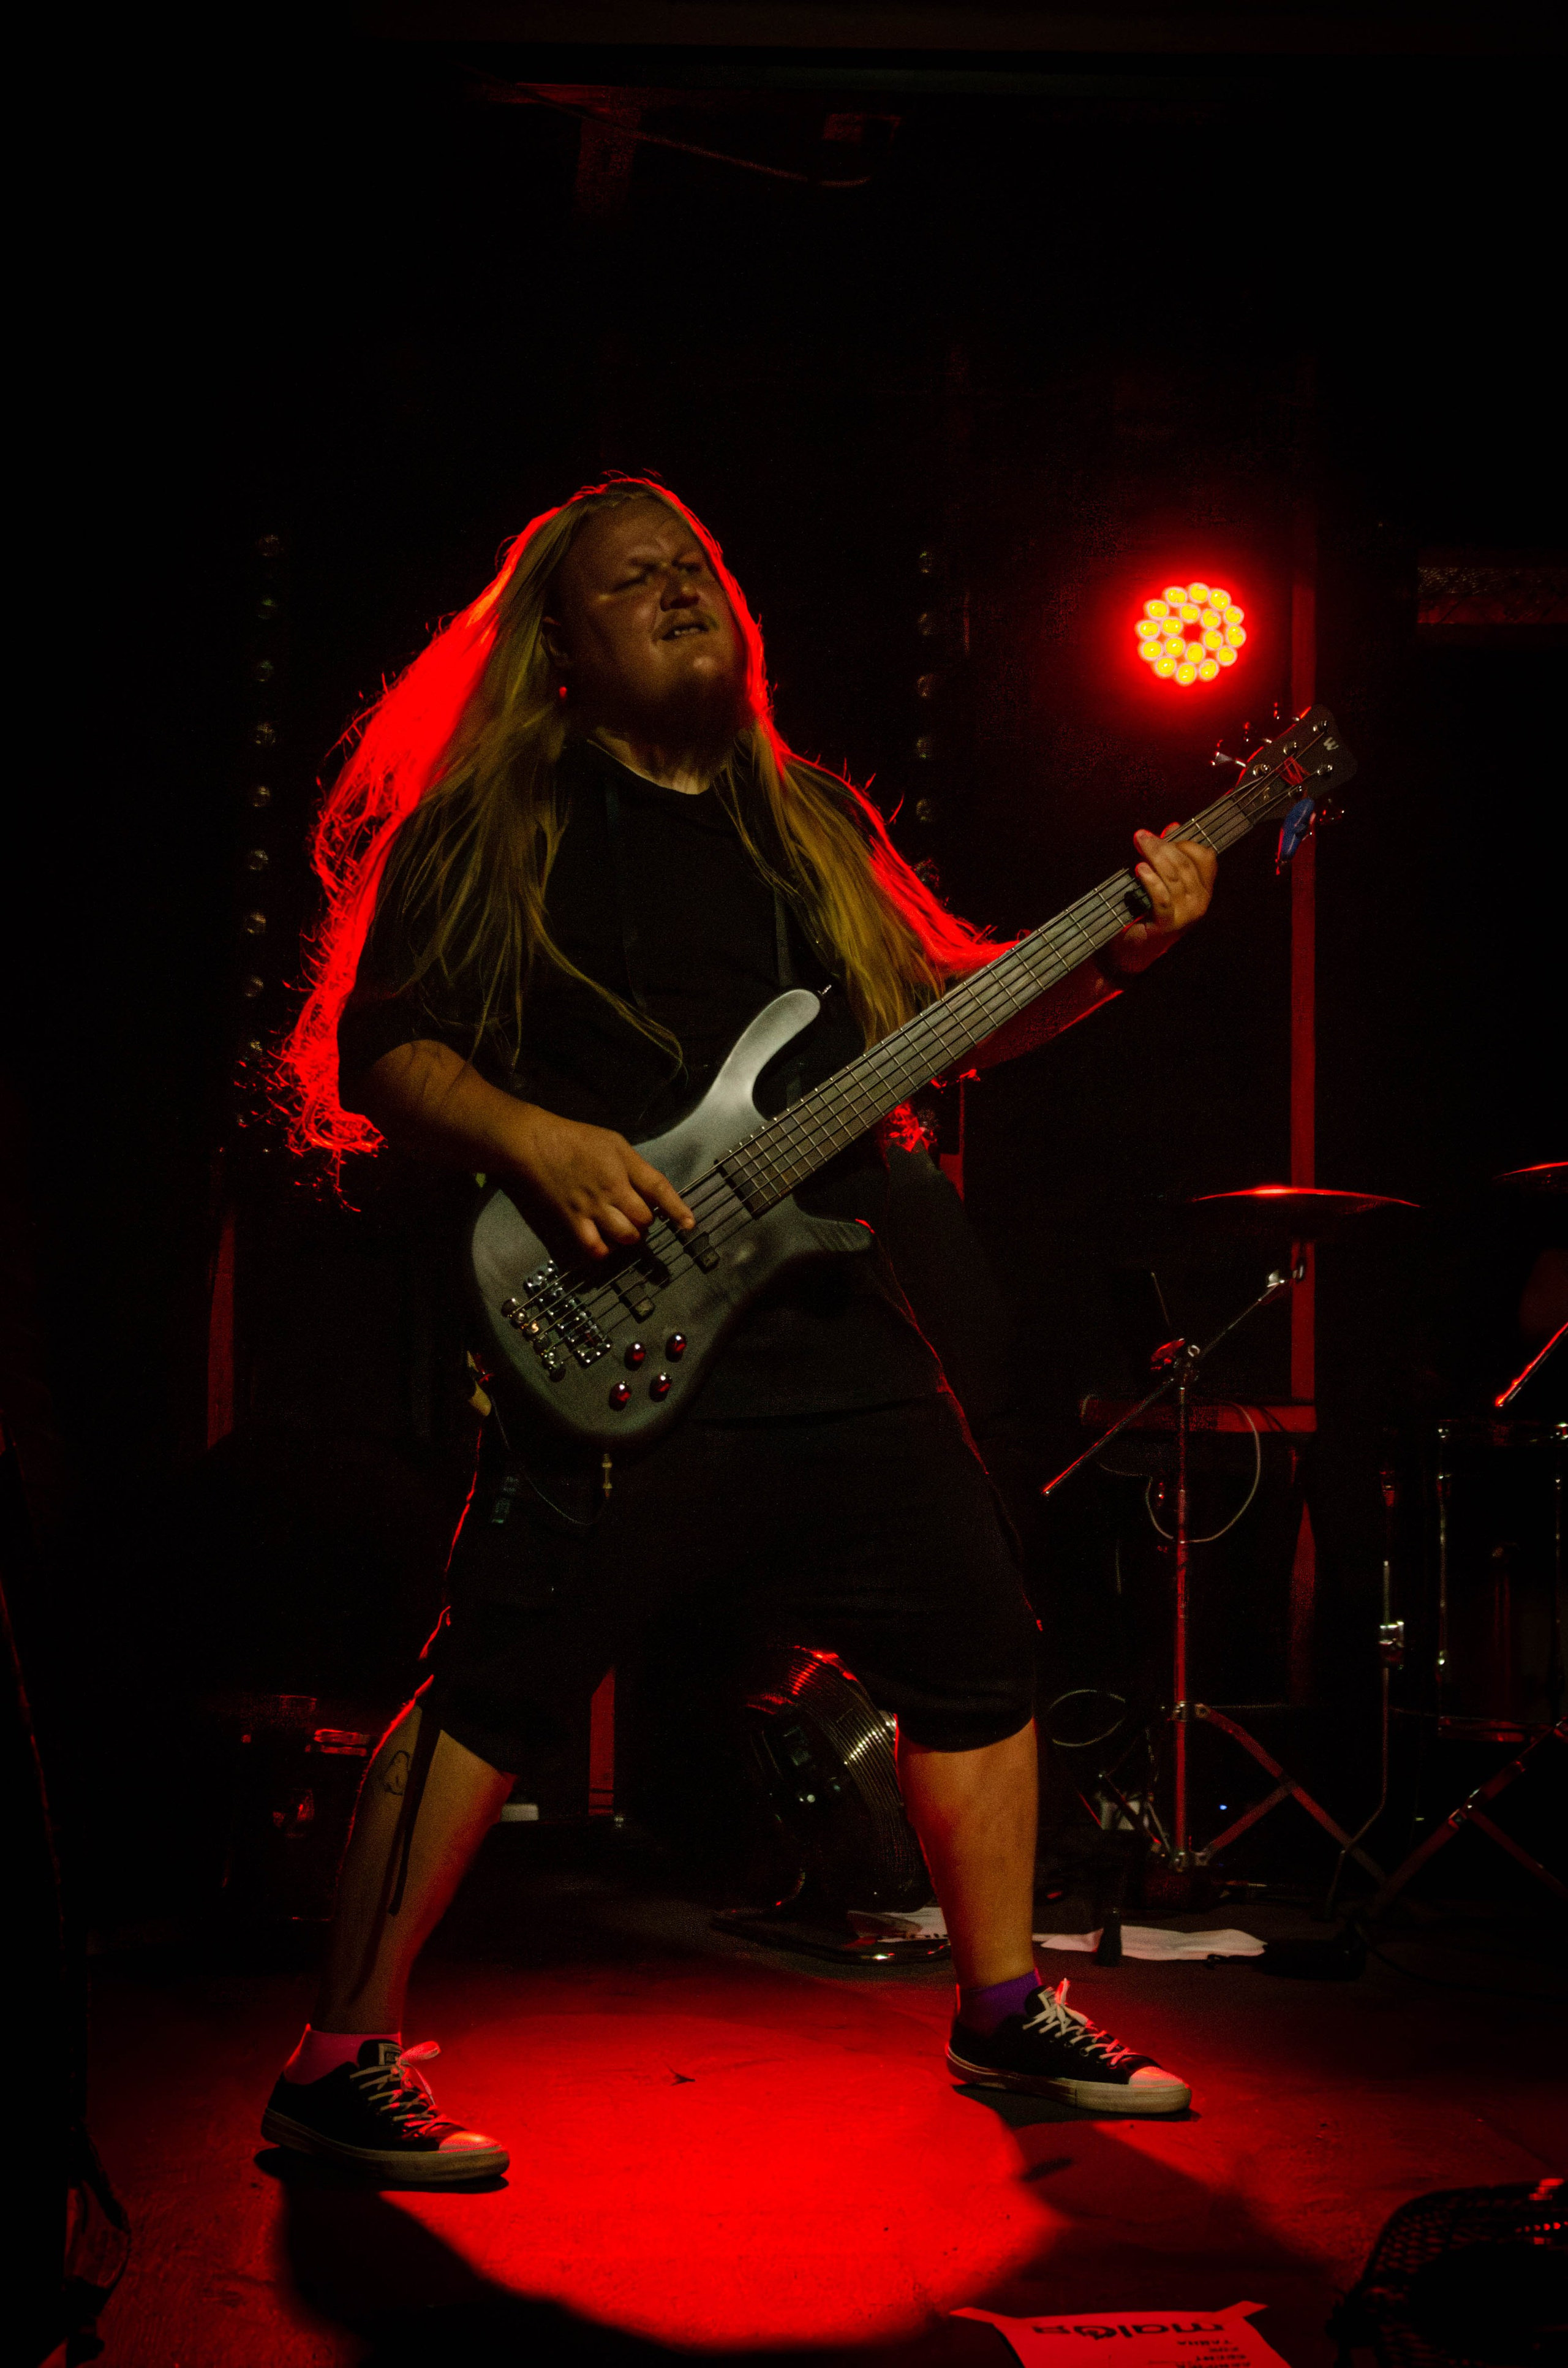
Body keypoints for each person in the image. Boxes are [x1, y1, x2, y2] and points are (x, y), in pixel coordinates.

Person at [262, 479, 1218, 2182]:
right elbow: (387, 1052)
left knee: (979, 1643)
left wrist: (1121, 959)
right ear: (561, 648)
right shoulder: (501, 822)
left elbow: (954, 1018)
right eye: (634, 580)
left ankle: (1004, 2009)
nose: (681, 589)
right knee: (491, 1686)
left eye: (696, 566)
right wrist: (541, 1141)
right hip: (609, 1332)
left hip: (829, 1314)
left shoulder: (806, 822)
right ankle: (337, 2057)